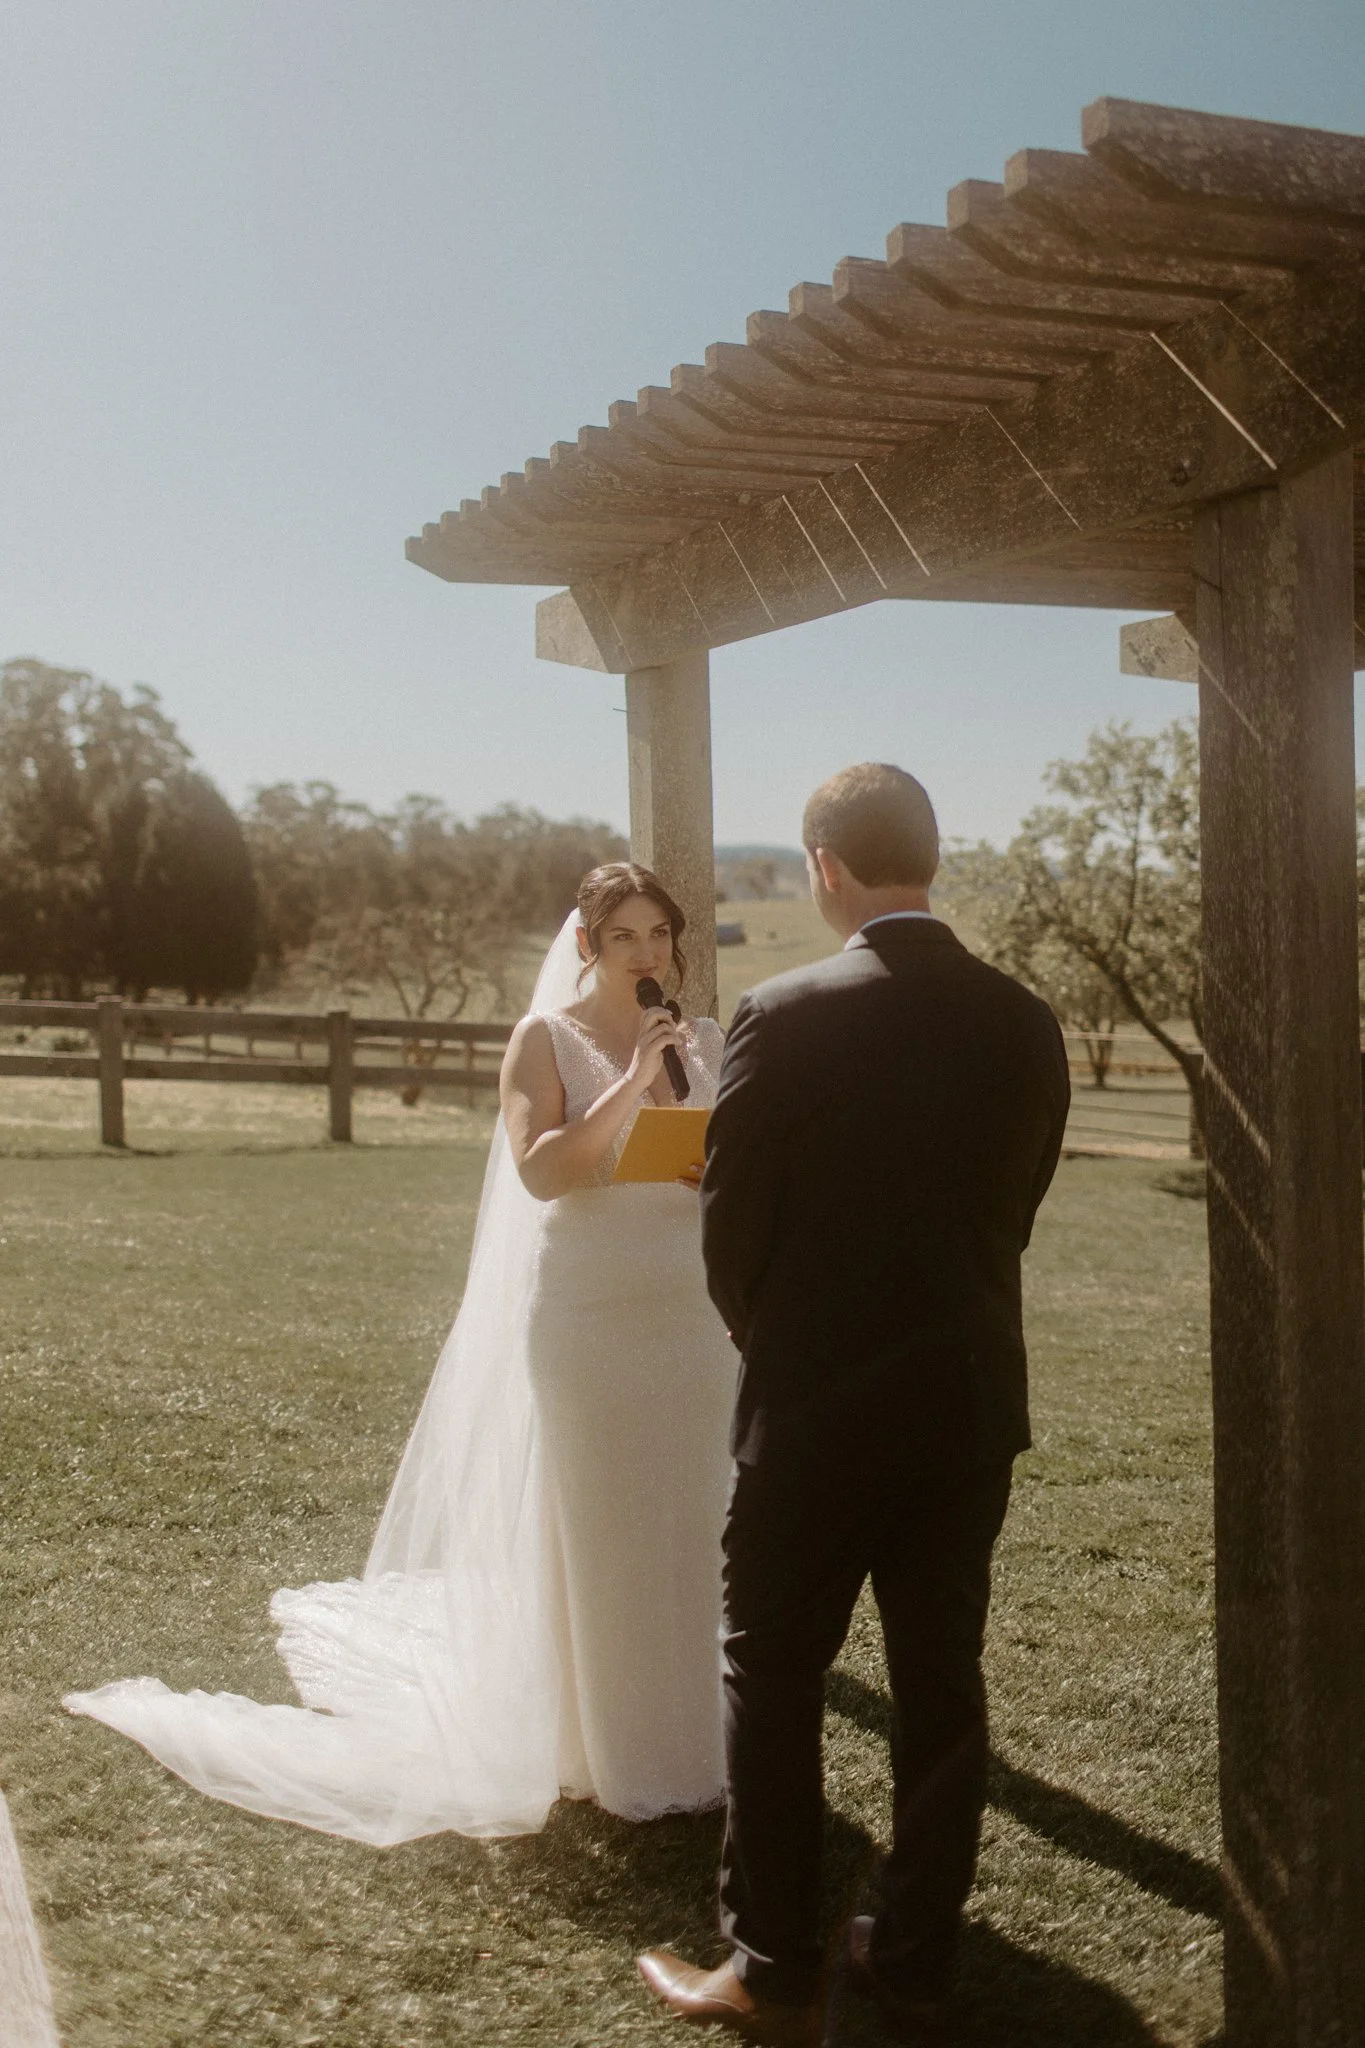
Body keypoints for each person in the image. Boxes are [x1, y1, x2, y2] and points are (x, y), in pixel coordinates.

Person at [65, 862, 736, 1843]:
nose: (647, 953)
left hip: (688, 1317)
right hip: (594, 1317)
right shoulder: (543, 1039)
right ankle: (604, 1748)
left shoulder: (704, 1040)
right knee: (601, 1528)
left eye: (660, 935)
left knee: (687, 1526)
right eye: (625, 935)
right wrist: (633, 1081)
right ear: (587, 945)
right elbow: (544, 1171)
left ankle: (697, 1741)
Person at [638, 765, 1070, 2048]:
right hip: (965, 1406)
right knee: (943, 1680)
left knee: (770, 1669)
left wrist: (774, 1344)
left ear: (824, 865)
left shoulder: (783, 1011)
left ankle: (768, 1965)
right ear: (927, 858)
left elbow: (733, 1228)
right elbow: (1020, 1202)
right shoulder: (1026, 1020)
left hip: (813, 1414)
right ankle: (918, 1954)